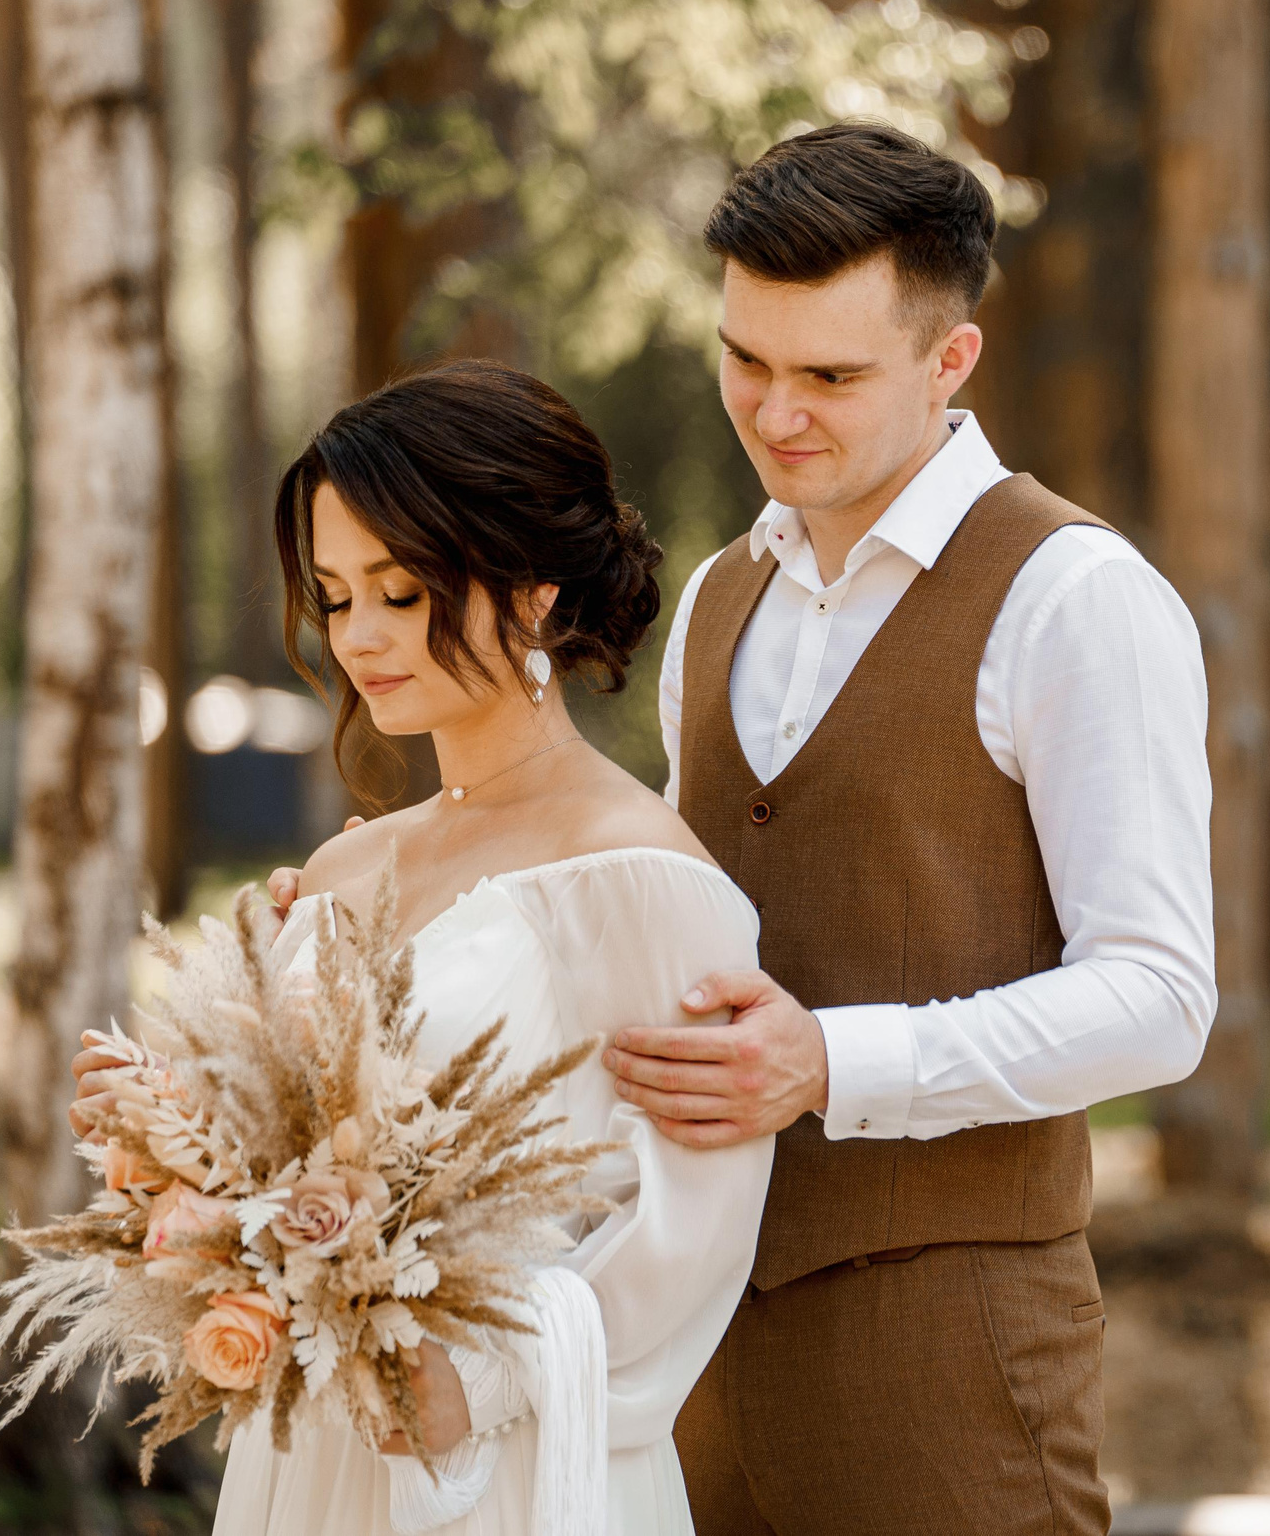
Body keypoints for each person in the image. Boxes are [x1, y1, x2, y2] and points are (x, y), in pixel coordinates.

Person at [600, 124, 1218, 1534]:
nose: (773, 412)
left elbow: (1161, 995)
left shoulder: (1074, 598)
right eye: (744, 358)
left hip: (952, 1354)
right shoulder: (715, 602)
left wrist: (832, 1060)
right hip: (695, 1353)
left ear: (953, 363)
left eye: (830, 374)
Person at [73, 362, 775, 1534]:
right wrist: (171, 1138)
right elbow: (285, 1147)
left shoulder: (638, 873)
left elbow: (696, 1224)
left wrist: (483, 1383)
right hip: (314, 1464)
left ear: (536, 593)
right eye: (338, 596)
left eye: (402, 592)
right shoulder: (343, 870)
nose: (359, 638)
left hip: (504, 1463)